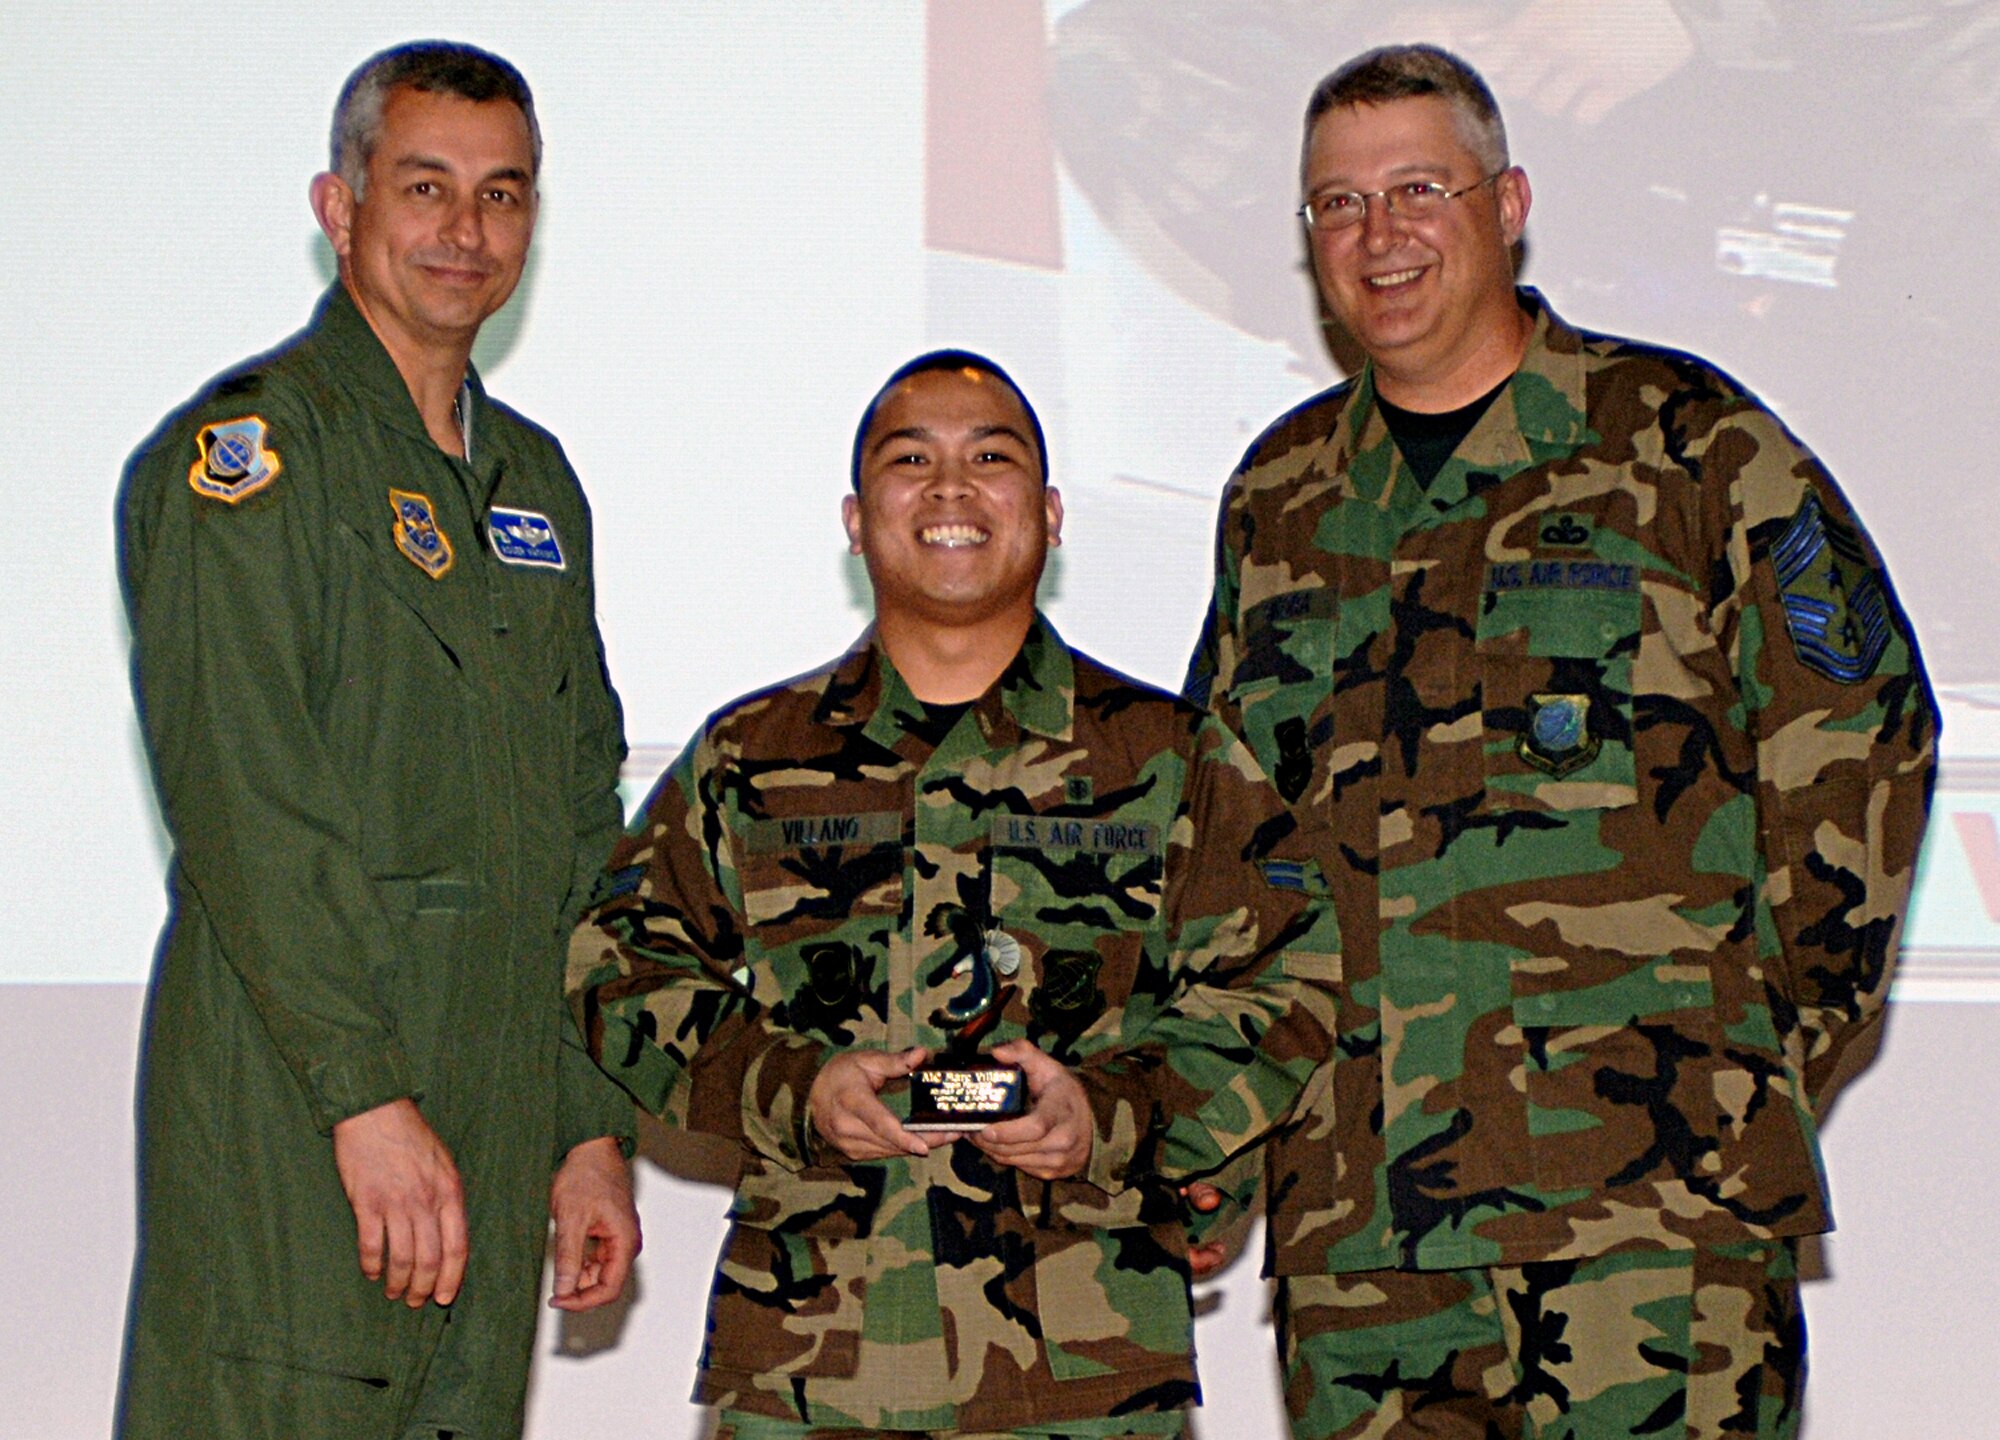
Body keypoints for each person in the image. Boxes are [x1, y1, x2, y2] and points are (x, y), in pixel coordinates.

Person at [1181, 43, 1938, 1440]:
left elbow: (1863, 731)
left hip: (1650, 1224)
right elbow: (1227, 843)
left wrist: (1763, 1049)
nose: (1380, 235)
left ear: (1509, 200)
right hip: (1369, 1244)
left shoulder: (1685, 442)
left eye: (1420, 187)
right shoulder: (1279, 498)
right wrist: (1216, 1127)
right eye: (1337, 205)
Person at [568, 351, 1342, 1439]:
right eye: (908, 461)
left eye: (989, 458)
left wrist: (1109, 1115)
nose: (948, 490)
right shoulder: (751, 755)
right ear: (854, 517)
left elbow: (1285, 980)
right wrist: (792, 1088)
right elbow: (616, 960)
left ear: (1050, 512)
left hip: (1085, 1368)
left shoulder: (1170, 756)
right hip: (812, 1362)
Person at [115, 41, 640, 1440]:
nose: (467, 233)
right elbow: (248, 805)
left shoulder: (535, 484)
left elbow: (586, 814)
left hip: (497, 1104)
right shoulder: (251, 457)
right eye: (426, 188)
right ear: (339, 206)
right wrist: (367, 1100)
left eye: (503, 195)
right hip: (303, 1112)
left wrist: (587, 1122)